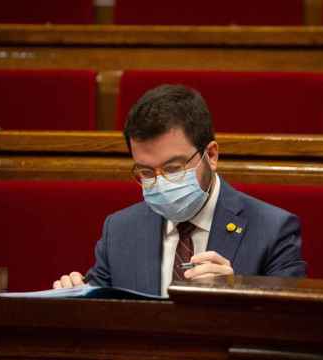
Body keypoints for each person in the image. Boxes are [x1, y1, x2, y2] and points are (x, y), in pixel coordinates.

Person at [54, 84, 306, 296]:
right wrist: (74, 297)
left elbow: (291, 328)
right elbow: (99, 308)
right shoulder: (119, 230)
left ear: (211, 155)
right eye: (146, 172)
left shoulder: (273, 231)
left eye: (174, 168)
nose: (160, 183)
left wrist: (236, 294)